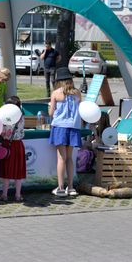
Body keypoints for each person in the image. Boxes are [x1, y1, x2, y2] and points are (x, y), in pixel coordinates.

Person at [48, 67, 82, 197]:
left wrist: (52, 108)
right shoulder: (77, 93)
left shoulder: (56, 93)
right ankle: (71, 187)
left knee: (61, 158)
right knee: (69, 158)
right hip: (74, 127)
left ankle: (61, 188)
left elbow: (51, 113)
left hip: (60, 127)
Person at [0, 96, 26, 202]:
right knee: (18, 172)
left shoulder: (5, 118)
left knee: (6, 172)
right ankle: (18, 195)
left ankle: (4, 195)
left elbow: (2, 132)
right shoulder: (21, 117)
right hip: (18, 145)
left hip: (7, 145)